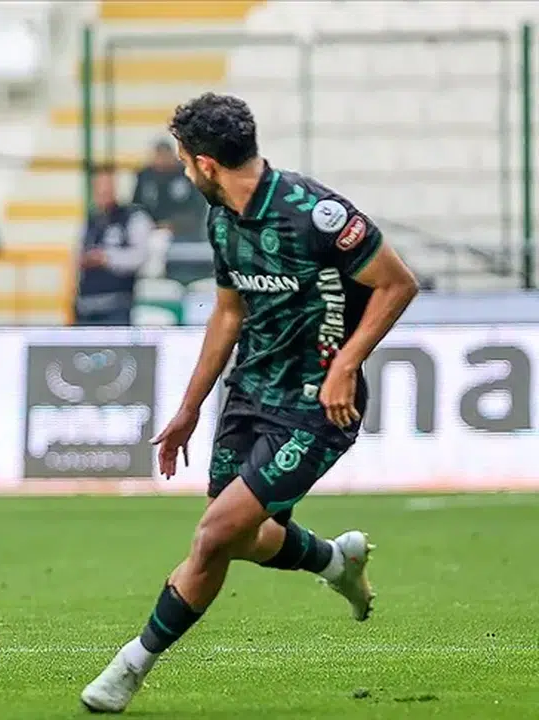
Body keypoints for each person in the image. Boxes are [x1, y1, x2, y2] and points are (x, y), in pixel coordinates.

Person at [81, 93, 419, 713]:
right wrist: (188, 408)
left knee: (213, 536)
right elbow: (229, 314)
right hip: (250, 393)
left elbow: (397, 284)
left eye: (185, 161)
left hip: (318, 406)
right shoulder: (222, 219)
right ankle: (334, 561)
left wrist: (346, 365)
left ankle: (130, 667)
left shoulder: (314, 214)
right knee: (242, 536)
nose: (184, 172)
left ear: (206, 164)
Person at [74, 166, 154, 326]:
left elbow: (140, 257)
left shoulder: (134, 218)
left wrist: (106, 258)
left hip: (118, 305)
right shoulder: (90, 220)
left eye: (107, 187)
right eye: (99, 187)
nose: (103, 192)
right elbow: (77, 257)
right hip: (87, 305)